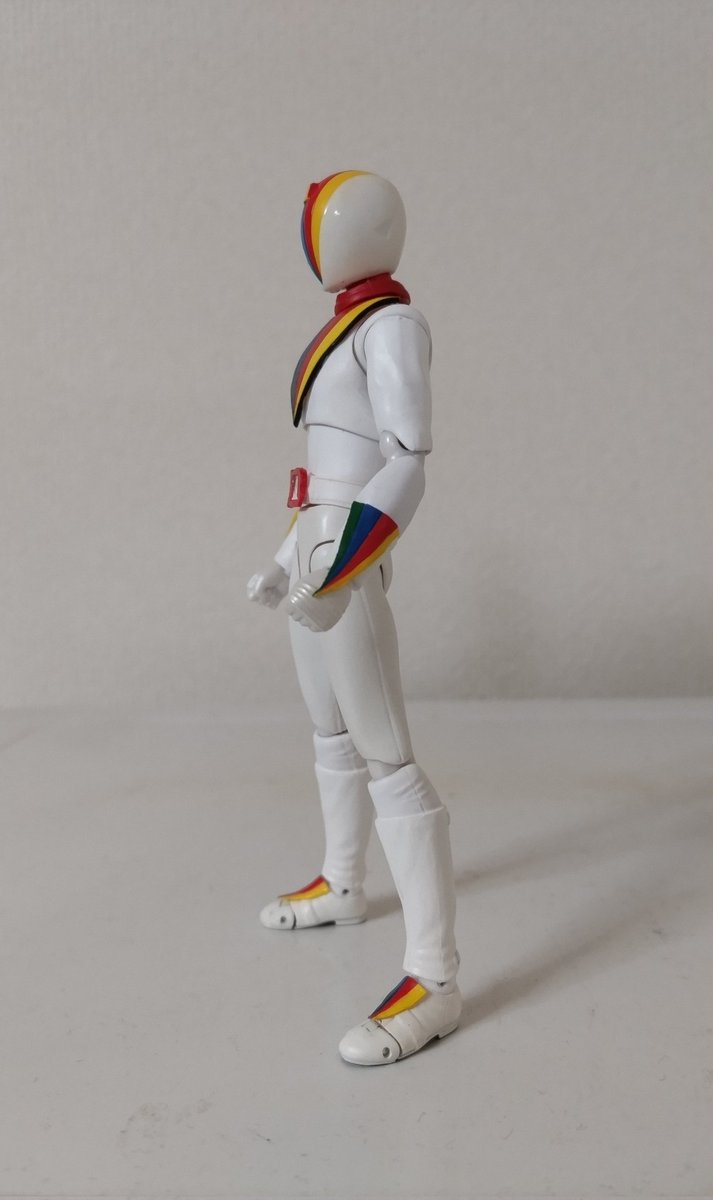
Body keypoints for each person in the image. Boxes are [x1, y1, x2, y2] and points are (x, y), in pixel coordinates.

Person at [247, 171, 460, 1065]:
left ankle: (434, 976)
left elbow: (406, 460)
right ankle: (343, 881)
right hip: (317, 542)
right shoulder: (351, 324)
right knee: (328, 729)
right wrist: (288, 558)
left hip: (346, 554)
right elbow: (328, 466)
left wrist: (343, 563)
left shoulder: (390, 327)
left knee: (387, 757)